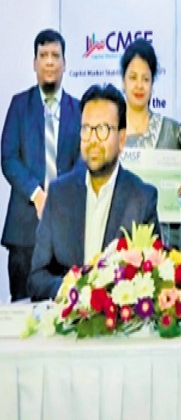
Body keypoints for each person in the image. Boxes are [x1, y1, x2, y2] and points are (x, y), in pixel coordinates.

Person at [28, 84, 159, 301]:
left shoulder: (142, 198)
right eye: (86, 129)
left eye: (103, 129)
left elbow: (152, 277)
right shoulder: (59, 194)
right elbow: (37, 279)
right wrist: (71, 290)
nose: (93, 139)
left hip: (118, 319)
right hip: (67, 317)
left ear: (122, 139)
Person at [2, 29, 82, 301]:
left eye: (55, 56)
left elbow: (83, 161)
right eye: (43, 55)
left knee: (66, 308)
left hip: (67, 231)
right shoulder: (19, 105)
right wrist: (37, 195)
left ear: (65, 64)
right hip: (24, 233)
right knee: (21, 311)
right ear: (34, 63)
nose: (49, 61)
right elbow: (8, 157)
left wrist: (59, 196)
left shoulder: (79, 110)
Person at [121, 39, 181, 249]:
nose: (139, 85)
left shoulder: (173, 132)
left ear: (152, 84)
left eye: (146, 79)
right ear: (123, 81)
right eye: (133, 77)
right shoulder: (110, 134)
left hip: (163, 247)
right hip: (118, 246)